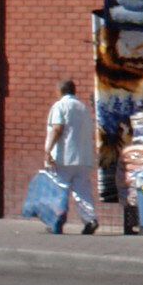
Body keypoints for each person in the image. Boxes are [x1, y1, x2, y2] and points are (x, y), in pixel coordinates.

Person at [42, 79, 99, 235]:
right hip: (84, 157)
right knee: (82, 191)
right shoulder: (84, 108)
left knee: (59, 190)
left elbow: (57, 128)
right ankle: (90, 220)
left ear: (59, 91)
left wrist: (48, 150)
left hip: (64, 157)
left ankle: (56, 222)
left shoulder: (59, 106)